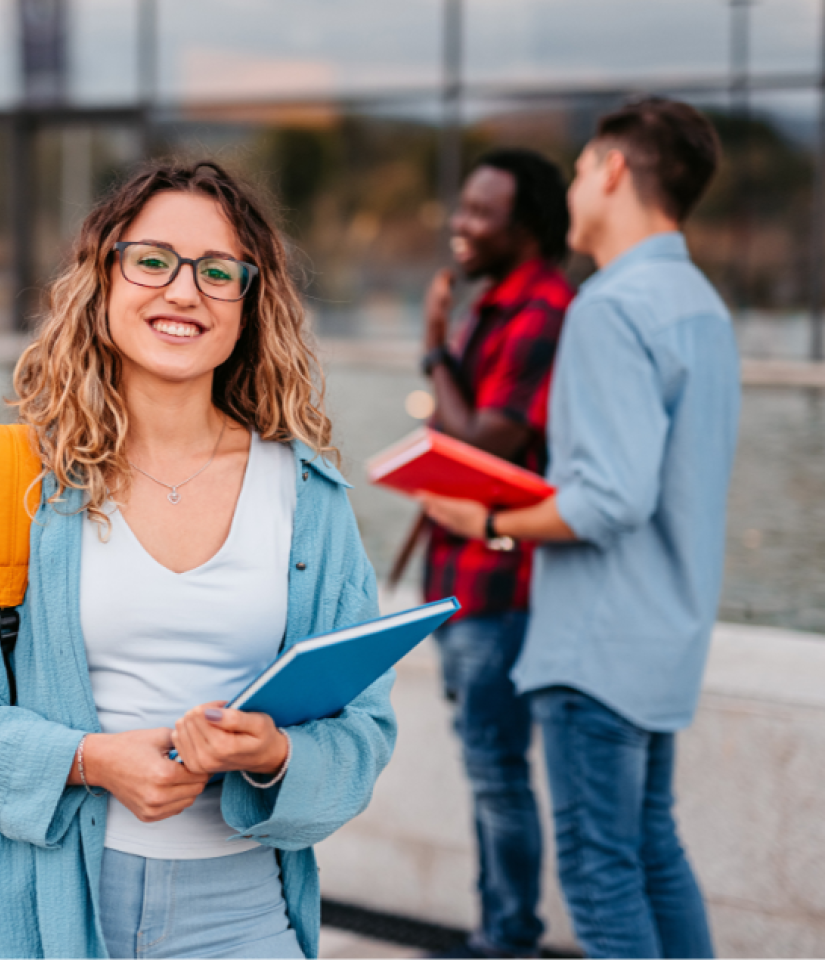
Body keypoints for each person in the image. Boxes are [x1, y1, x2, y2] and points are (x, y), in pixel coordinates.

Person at [0, 160, 397, 960]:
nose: (184, 291)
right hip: (41, 913)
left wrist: (276, 756)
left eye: (218, 271)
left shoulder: (308, 499)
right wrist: (89, 761)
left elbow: (363, 731)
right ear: (103, 278)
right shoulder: (15, 478)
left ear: (250, 303)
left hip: (243, 919)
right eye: (152, 260)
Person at [421, 98, 739, 959]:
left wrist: (483, 518)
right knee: (652, 853)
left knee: (602, 878)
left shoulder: (609, 305)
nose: (568, 189)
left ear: (609, 170)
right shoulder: (702, 307)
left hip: (594, 649)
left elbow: (608, 499)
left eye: (576, 170)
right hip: (663, 639)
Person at [418, 149, 573, 958]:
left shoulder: (544, 311)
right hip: (461, 578)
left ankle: (507, 940)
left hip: (503, 585)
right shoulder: (495, 304)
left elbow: (483, 445)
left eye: (482, 213)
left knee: (496, 773)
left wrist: (435, 349)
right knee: (486, 770)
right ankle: (495, 932)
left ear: (527, 227)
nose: (462, 225)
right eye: (463, 207)